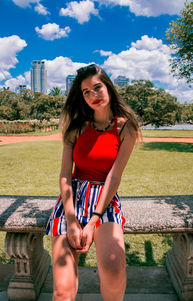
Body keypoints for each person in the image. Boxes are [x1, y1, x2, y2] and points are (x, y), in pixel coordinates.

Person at [46, 63, 140, 301]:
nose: (92, 95)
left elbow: (115, 175)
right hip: (72, 200)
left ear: (108, 86)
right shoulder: (76, 127)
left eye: (97, 88)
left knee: (113, 270)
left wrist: (94, 220)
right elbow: (65, 174)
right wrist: (71, 219)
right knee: (62, 290)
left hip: (104, 201)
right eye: (86, 92)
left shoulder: (125, 127)